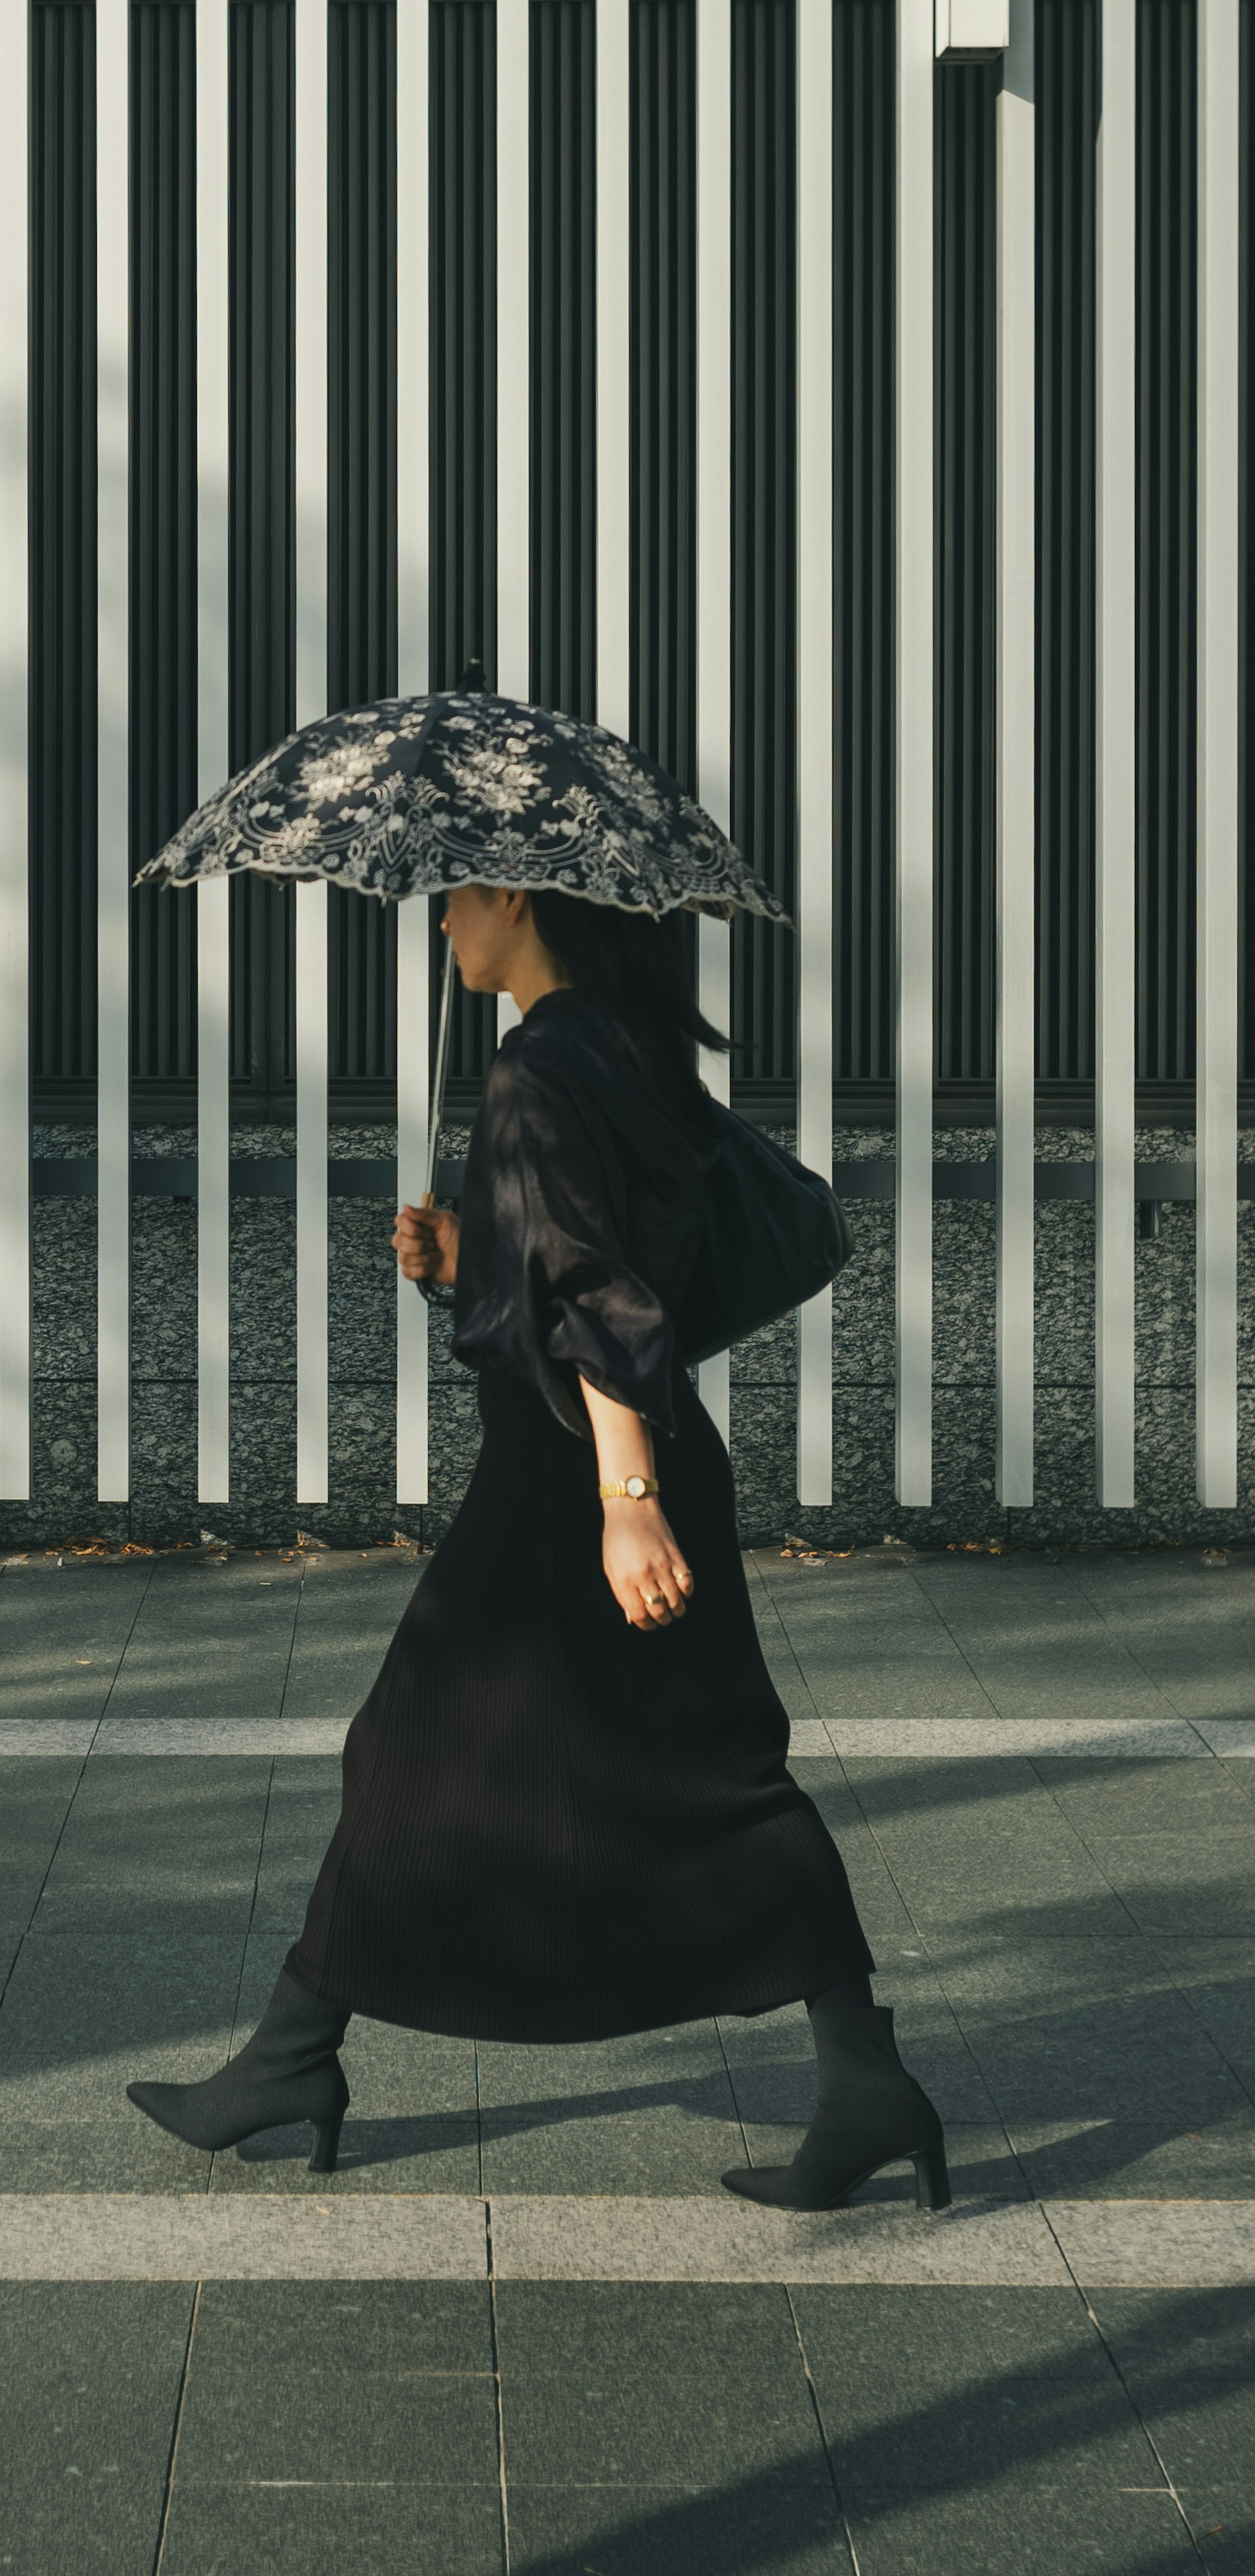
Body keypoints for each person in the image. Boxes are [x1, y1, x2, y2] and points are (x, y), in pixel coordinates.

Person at [128, 880, 948, 2212]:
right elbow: (598, 1256)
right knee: (710, 1765)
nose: (441, 924)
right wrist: (474, 1257)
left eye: (452, 901)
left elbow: (602, 1296)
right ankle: (865, 2084)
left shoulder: (537, 1062)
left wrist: (627, 1499)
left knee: (423, 1741)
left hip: (578, 1480)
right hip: (620, 1458)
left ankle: (292, 2060)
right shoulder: (625, 1049)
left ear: (512, 897)